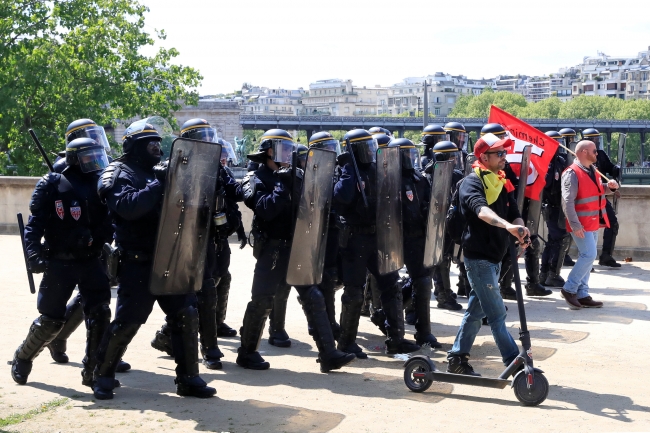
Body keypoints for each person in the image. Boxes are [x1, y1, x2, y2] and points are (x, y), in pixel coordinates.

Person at [93, 120, 216, 400]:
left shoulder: (166, 171)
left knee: (186, 314)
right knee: (128, 321)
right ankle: (102, 374)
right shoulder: (116, 172)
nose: (156, 147)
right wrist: (159, 183)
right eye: (149, 142)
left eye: (158, 142)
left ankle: (188, 378)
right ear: (133, 145)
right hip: (138, 262)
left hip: (171, 257)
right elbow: (127, 207)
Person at [11, 137, 114, 387]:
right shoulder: (52, 184)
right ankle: (23, 357)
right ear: (74, 158)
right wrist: (33, 254)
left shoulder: (101, 182)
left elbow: (109, 221)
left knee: (100, 313)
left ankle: (94, 373)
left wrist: (97, 239)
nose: (95, 161)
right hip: (60, 262)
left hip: (91, 260)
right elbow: (34, 226)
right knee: (50, 320)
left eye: (96, 155)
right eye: (88, 157)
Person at [150, 119, 244, 370]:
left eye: (209, 136)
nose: (207, 142)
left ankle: (170, 338)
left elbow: (235, 192)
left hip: (212, 239)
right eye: (201, 137)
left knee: (206, 292)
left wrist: (250, 185)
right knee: (199, 295)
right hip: (187, 238)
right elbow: (162, 178)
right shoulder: (179, 164)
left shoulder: (218, 167)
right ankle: (209, 350)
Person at [44, 119, 131, 373]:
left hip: (99, 238)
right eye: (88, 135)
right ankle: (72, 343)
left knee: (95, 299)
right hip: (74, 245)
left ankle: (95, 350)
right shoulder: (65, 169)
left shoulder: (100, 167)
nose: (94, 140)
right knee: (92, 299)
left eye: (96, 135)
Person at [446, 133, 530, 376]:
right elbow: (481, 210)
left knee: (475, 311)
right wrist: (507, 227)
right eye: (499, 153)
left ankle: (457, 357)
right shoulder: (471, 183)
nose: (504, 157)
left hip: (496, 257)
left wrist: (520, 229)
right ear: (484, 157)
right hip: (478, 258)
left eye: (505, 152)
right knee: (496, 314)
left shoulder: (501, 180)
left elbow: (515, 212)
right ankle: (516, 364)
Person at [334, 129, 420, 358]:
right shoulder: (345, 171)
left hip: (377, 236)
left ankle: (396, 339)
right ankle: (346, 342)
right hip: (355, 239)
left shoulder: (375, 169)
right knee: (354, 292)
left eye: (372, 147)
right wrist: (349, 167)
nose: (371, 152)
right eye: (366, 148)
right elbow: (341, 198)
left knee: (391, 285)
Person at [393, 138, 444, 347]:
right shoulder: (388, 179)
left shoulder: (419, 179)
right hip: (393, 237)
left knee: (422, 282)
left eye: (410, 154)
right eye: (404, 155)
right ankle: (389, 323)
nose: (409, 159)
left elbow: (427, 205)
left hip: (416, 237)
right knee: (388, 285)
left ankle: (424, 332)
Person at [560, 140, 619, 310]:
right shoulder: (571, 173)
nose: (597, 154)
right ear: (584, 152)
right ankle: (569, 289)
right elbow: (567, 201)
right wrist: (575, 225)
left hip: (592, 221)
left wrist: (610, 187)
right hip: (581, 223)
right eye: (594, 151)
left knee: (587, 257)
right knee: (589, 255)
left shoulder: (592, 170)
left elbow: (598, 190)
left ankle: (583, 293)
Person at [426, 140, 463, 311]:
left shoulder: (455, 175)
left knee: (445, 260)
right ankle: (442, 295)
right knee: (436, 263)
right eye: (452, 156)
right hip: (434, 225)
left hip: (449, 224)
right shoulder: (429, 175)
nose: (455, 160)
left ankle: (443, 291)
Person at [582, 128, 622, 268]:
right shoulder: (581, 156)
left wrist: (617, 169)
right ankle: (586, 261)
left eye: (598, 140)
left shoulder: (601, 155)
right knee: (587, 229)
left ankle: (606, 255)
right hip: (586, 201)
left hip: (601, 198)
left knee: (612, 223)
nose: (597, 142)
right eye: (595, 140)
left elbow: (610, 168)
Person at [540, 131, 569, 287]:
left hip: (558, 206)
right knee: (558, 240)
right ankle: (551, 274)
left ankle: (544, 273)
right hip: (552, 206)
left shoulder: (559, 160)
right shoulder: (546, 162)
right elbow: (549, 185)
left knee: (553, 240)